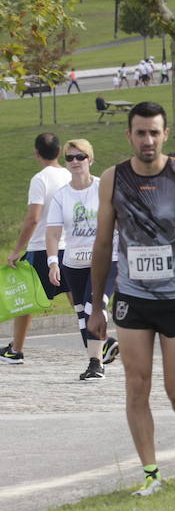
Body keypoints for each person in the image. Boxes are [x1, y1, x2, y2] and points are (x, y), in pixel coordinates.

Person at [87, 102, 175, 496]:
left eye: (154, 133)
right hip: (131, 298)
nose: (147, 140)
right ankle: (150, 474)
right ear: (129, 136)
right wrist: (97, 305)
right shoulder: (113, 179)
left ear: (165, 135)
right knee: (135, 385)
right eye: (140, 133)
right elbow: (103, 242)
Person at [44, 139, 115, 379]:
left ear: (90, 160)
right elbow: (53, 232)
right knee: (82, 315)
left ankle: (96, 363)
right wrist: (53, 261)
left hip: (105, 259)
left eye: (80, 157)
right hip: (73, 262)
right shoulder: (61, 196)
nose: (75, 162)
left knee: (93, 307)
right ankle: (98, 356)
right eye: (70, 158)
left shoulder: (103, 187)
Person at [2, 132, 71, 364]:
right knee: (79, 299)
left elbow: (33, 219)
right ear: (59, 151)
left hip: (43, 247)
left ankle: (16, 350)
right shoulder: (71, 175)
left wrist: (16, 250)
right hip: (69, 246)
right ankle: (100, 342)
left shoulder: (40, 179)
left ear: (36, 153)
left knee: (26, 299)